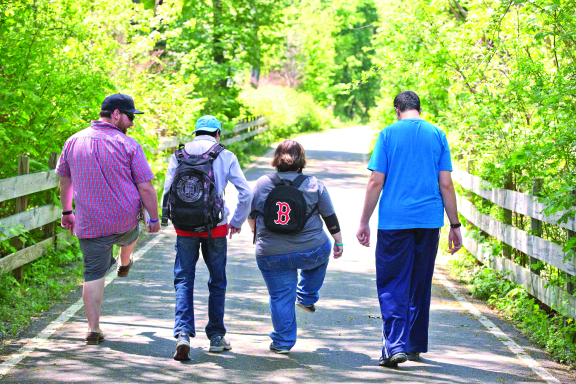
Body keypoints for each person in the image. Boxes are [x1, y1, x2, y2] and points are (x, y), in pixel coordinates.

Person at [356, 91, 463, 367]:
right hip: (429, 222)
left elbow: (375, 181)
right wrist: (455, 225)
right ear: (418, 108)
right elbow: (446, 184)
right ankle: (414, 345)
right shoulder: (438, 135)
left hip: (395, 222)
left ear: (397, 109)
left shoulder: (388, 135)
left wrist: (364, 220)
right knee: (419, 282)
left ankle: (395, 346)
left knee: (393, 283)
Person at [56, 93, 160, 345]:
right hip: (124, 220)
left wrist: (67, 212)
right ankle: (125, 261)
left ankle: (93, 328)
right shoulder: (129, 145)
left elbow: (64, 180)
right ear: (116, 114)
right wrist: (154, 218)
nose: (132, 123)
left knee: (93, 273)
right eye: (130, 116)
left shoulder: (72, 141)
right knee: (130, 235)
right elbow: (145, 187)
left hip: (89, 221)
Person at [163, 115, 252, 361]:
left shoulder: (178, 155)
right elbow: (246, 193)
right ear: (217, 134)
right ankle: (215, 337)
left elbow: (168, 190)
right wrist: (236, 221)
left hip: (185, 229)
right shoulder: (225, 155)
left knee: (183, 279)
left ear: (196, 132)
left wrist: (168, 218)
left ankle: (182, 333)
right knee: (217, 280)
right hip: (216, 228)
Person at [247, 139, 343, 354]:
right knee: (324, 246)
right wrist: (339, 241)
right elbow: (329, 216)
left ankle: (282, 343)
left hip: (271, 253)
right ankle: (307, 295)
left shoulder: (262, 183)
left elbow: (251, 215)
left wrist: (257, 234)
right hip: (311, 251)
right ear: (301, 159)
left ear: (276, 159)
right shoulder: (314, 184)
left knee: (280, 296)